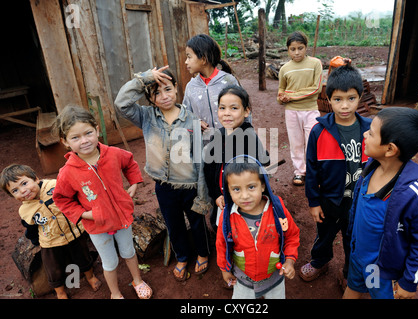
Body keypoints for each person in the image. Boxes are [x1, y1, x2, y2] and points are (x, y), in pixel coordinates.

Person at [115, 66, 212, 282]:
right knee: (173, 223)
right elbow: (121, 103)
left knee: (197, 222)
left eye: (168, 89)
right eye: (156, 93)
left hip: (190, 185)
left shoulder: (192, 120)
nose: (164, 96)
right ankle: (183, 256)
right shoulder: (146, 117)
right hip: (164, 186)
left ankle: (203, 253)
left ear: (177, 88)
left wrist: (202, 191)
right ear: (149, 98)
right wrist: (144, 79)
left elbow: (199, 160)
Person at [52, 105, 152, 299]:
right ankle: (115, 293)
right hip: (97, 226)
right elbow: (61, 199)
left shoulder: (113, 153)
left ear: (97, 130)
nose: (84, 141)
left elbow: (130, 163)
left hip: (122, 217)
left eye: (88, 133)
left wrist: (134, 182)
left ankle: (138, 281)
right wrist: (85, 214)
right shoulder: (67, 172)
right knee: (110, 262)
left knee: (129, 252)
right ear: (65, 142)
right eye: (75, 137)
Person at [343, 107, 418, 299]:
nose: (365, 134)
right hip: (359, 258)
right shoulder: (369, 170)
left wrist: (409, 281)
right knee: (353, 288)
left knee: (376, 292)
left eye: (371, 133)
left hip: (382, 271)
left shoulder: (413, 196)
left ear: (390, 149)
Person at [300, 65, 372, 287]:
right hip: (329, 200)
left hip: (359, 202)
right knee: (324, 234)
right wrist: (313, 202)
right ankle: (320, 261)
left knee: (355, 240)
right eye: (338, 99)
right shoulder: (319, 131)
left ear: (360, 97)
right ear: (328, 99)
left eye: (351, 98)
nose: (345, 105)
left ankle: (349, 273)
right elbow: (311, 169)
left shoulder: (370, 130)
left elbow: (380, 166)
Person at [1, 164, 101, 299]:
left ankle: (90, 277)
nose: (23, 191)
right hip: (50, 242)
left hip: (73, 232)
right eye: (15, 190)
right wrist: (36, 242)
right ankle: (60, 292)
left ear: (36, 179)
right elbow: (31, 229)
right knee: (53, 269)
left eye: (24, 183)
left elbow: (74, 199)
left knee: (82, 256)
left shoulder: (54, 186)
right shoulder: (25, 211)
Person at [216, 155, 300, 299]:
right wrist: (224, 269)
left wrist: (290, 260)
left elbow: (291, 235)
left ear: (263, 185)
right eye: (236, 189)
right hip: (242, 280)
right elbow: (221, 244)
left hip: (274, 279)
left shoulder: (277, 210)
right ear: (228, 191)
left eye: (251, 187)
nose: (244, 195)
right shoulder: (227, 216)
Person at [203, 85, 270, 229]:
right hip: (222, 201)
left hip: (244, 202)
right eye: (222, 108)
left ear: (246, 111)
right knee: (224, 232)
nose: (226, 113)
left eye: (234, 108)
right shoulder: (217, 136)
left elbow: (258, 175)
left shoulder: (249, 138)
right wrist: (216, 195)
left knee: (244, 233)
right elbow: (209, 169)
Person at [277, 31, 323, 186]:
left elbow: (316, 89)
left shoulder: (315, 64)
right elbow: (281, 91)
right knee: (296, 143)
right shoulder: (285, 69)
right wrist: (282, 97)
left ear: (306, 47)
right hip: (291, 111)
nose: (296, 52)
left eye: (300, 48)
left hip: (311, 110)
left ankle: (313, 172)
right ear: (288, 50)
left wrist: (292, 96)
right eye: (293, 49)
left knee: (312, 142)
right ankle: (299, 172)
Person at [183, 33, 244, 139]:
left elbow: (244, 112)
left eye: (189, 57)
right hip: (204, 147)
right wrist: (196, 122)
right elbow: (185, 115)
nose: (186, 62)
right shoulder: (191, 87)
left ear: (203, 59)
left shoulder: (228, 81)